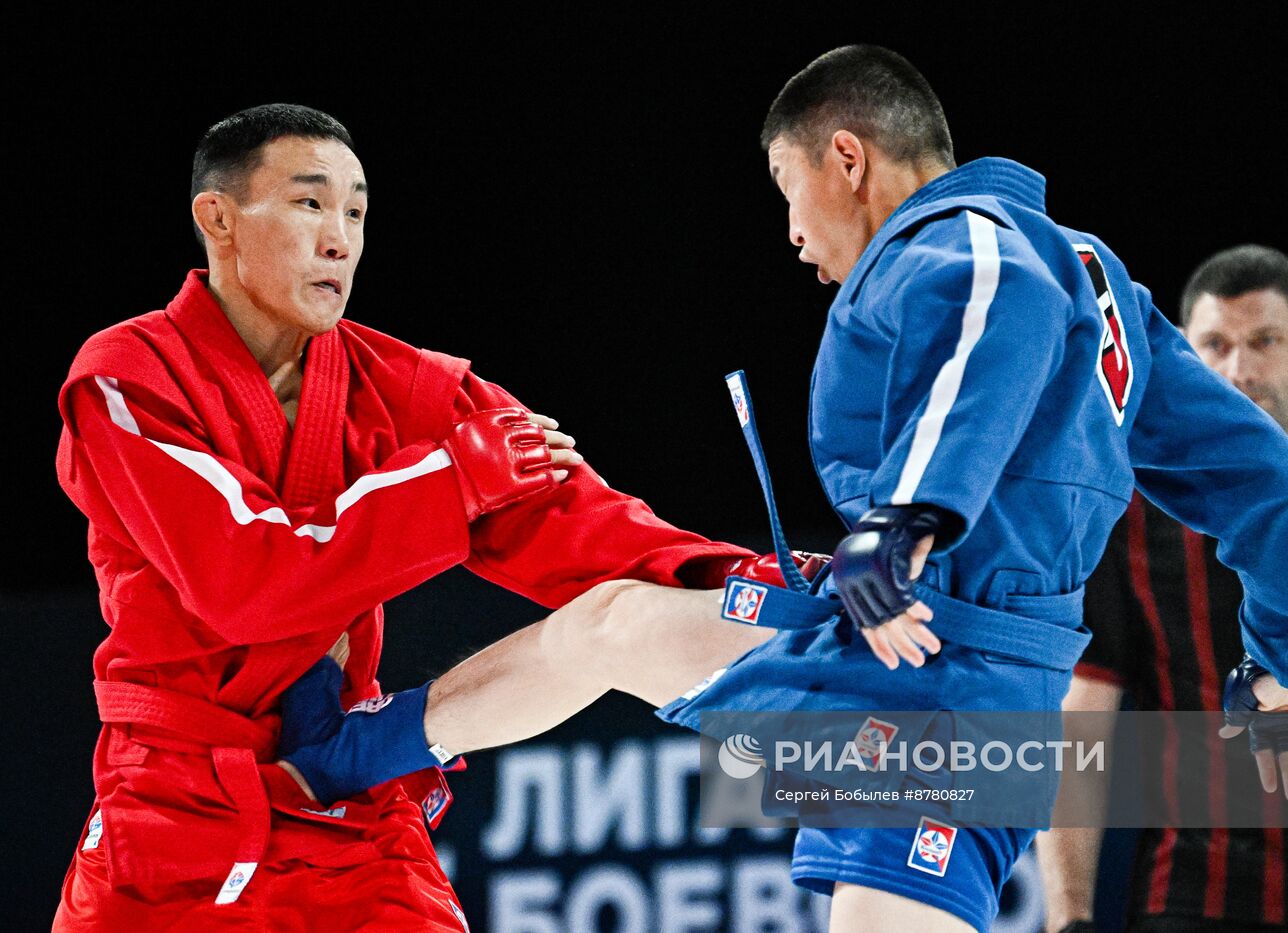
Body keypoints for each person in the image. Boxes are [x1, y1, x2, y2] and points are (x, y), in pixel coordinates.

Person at [278, 48, 1288, 933]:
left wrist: (904, 521)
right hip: (904, 647)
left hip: (950, 696)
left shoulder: (977, 246)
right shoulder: (1102, 291)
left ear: (845, 157)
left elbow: (995, 316)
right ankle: (353, 756)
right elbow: (1281, 495)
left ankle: (350, 756)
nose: (792, 234)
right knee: (611, 624)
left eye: (785, 191)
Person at [50, 103, 810, 931]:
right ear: (218, 217)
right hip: (169, 820)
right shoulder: (126, 379)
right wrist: (450, 484)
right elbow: (245, 578)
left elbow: (583, 525)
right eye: (310, 204)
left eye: (356, 211)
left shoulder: (409, 391)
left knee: (620, 623)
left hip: (351, 805)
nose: (340, 237)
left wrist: (741, 573)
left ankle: (924, 760)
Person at [1037, 245, 1288, 932]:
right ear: (1179, 359)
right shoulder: (1128, 525)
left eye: (1265, 341)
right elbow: (1080, 727)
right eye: (1214, 345)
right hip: (1196, 893)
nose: (1239, 369)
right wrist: (1068, 916)